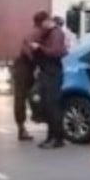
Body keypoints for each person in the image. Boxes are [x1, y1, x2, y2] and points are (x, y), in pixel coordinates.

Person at [32, 11, 68, 149]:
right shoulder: (49, 33)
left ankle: (57, 138)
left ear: (47, 21)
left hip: (53, 72)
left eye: (41, 25)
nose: (41, 28)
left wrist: (39, 47)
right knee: (47, 105)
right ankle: (51, 136)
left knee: (53, 105)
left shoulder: (56, 33)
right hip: (47, 71)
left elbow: (55, 51)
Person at [12, 21, 41, 141]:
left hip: (28, 67)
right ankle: (21, 127)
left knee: (31, 95)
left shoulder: (37, 33)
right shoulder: (33, 34)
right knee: (21, 97)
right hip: (23, 68)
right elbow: (28, 51)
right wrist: (38, 62)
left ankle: (30, 120)